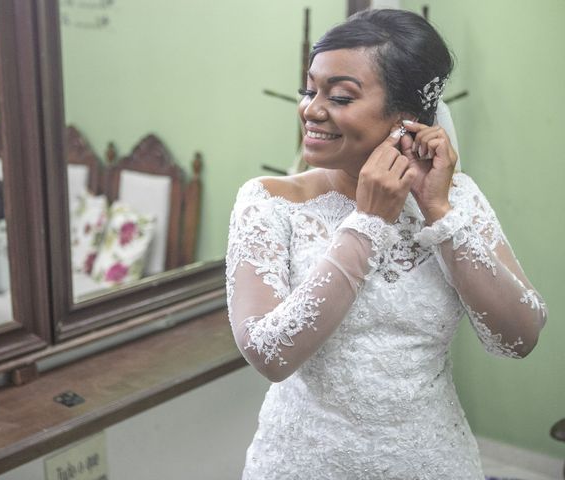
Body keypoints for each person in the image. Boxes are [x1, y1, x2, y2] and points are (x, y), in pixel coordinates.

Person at [225, 8, 547, 479]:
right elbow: (270, 354)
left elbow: (519, 338)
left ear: (408, 117)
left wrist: (438, 211)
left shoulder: (458, 200)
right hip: (303, 462)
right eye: (309, 89)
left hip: (431, 460)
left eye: (339, 96)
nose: (312, 109)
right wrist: (368, 223)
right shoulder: (269, 202)